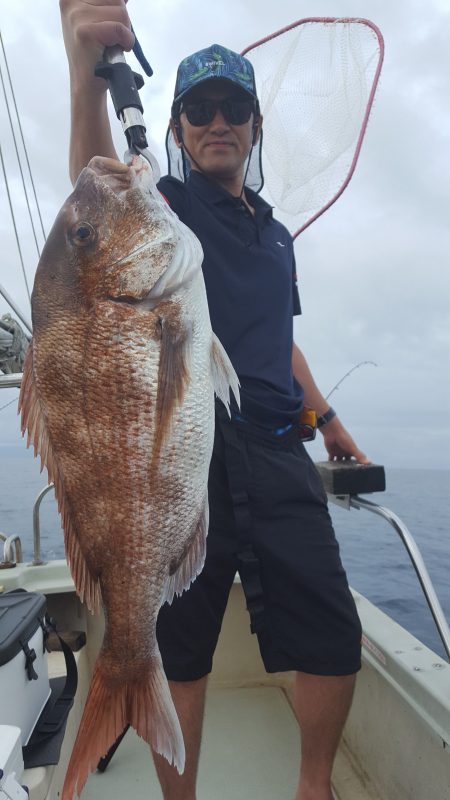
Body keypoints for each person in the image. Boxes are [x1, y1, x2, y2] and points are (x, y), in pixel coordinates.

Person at [60, 3, 371, 799]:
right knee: (183, 650)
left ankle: (314, 786)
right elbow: (93, 196)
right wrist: (83, 71)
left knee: (334, 633)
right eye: (199, 110)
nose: (218, 122)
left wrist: (330, 422)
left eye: (234, 108)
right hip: (185, 452)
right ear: (180, 129)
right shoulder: (164, 208)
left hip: (278, 449)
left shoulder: (277, 237)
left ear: (255, 126)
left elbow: (280, 341)